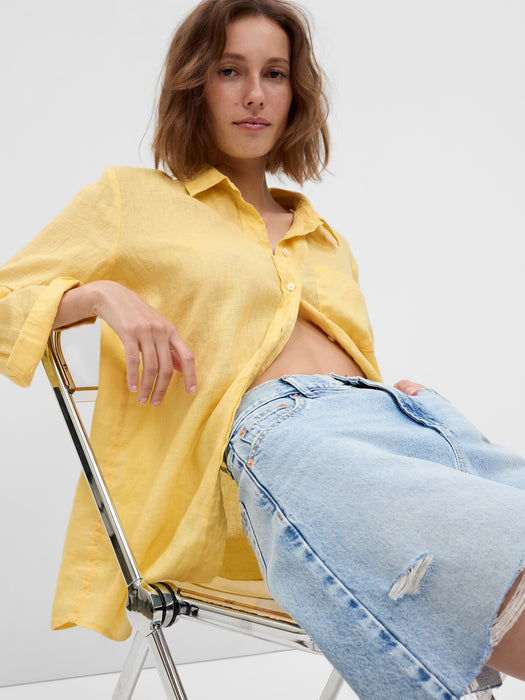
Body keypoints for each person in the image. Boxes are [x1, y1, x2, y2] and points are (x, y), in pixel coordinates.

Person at [0, 0, 524, 697]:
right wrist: (99, 295)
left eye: (274, 73)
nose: (254, 94)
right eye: (229, 71)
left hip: (402, 423)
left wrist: (387, 394)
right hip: (278, 440)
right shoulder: (131, 200)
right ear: (194, 84)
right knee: (486, 564)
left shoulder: (324, 236)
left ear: (294, 92)